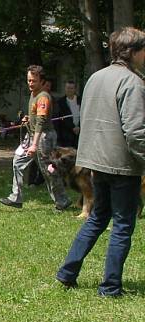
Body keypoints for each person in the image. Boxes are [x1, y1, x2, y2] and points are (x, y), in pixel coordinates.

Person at [56, 27, 145, 297]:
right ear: (133, 52)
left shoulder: (96, 77)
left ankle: (67, 272)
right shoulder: (133, 83)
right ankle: (110, 287)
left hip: (96, 163)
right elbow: (136, 132)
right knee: (122, 225)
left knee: (97, 218)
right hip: (122, 165)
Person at [0, 65, 70, 210]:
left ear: (42, 81)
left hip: (43, 137)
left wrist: (34, 144)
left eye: (34, 81)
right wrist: (27, 119)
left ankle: (62, 201)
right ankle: (16, 197)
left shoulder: (43, 97)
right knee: (17, 162)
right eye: (29, 80)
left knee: (48, 170)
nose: (30, 84)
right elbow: (35, 117)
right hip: (32, 136)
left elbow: (41, 122)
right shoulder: (33, 94)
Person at [55, 80, 81, 148]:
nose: (69, 90)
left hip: (80, 133)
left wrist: (79, 127)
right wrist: (72, 127)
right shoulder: (61, 102)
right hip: (66, 135)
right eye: (68, 88)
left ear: (75, 89)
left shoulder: (80, 100)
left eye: (71, 88)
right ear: (65, 89)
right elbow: (61, 117)